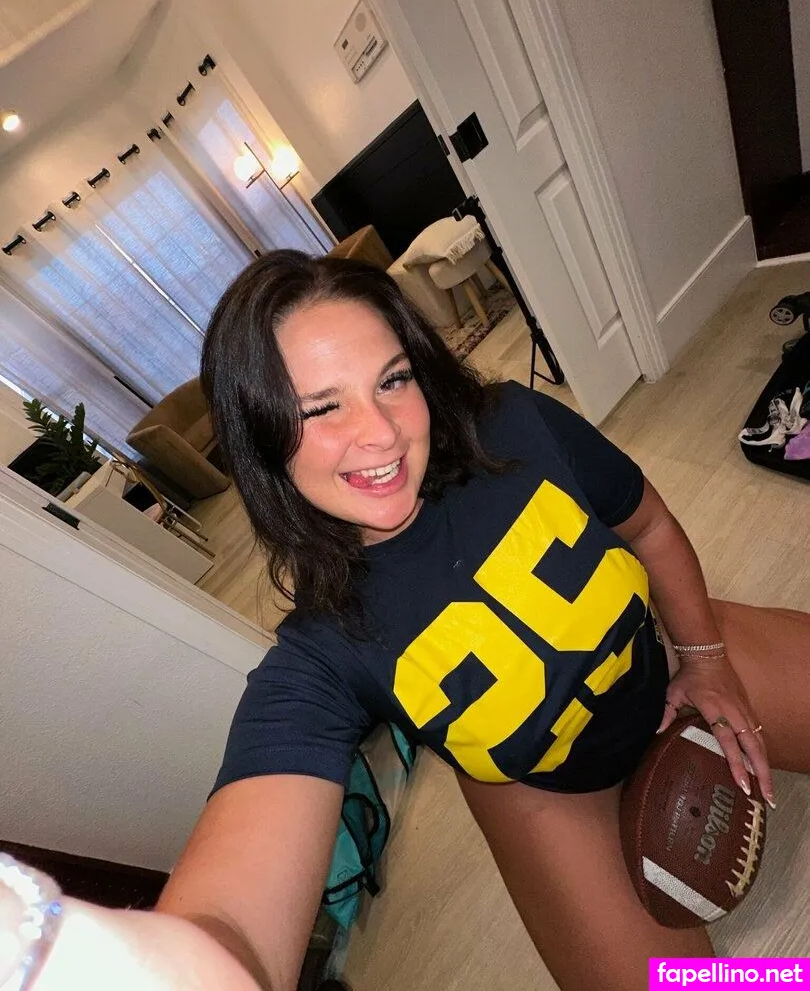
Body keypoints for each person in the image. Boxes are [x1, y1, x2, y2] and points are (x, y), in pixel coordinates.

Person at [4, 251, 810, 991]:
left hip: (664, 656)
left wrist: (705, 656)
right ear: (262, 438)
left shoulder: (516, 425)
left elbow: (650, 525)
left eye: (392, 380)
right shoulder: (324, 651)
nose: (381, 433)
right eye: (321, 408)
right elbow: (232, 926)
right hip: (549, 790)